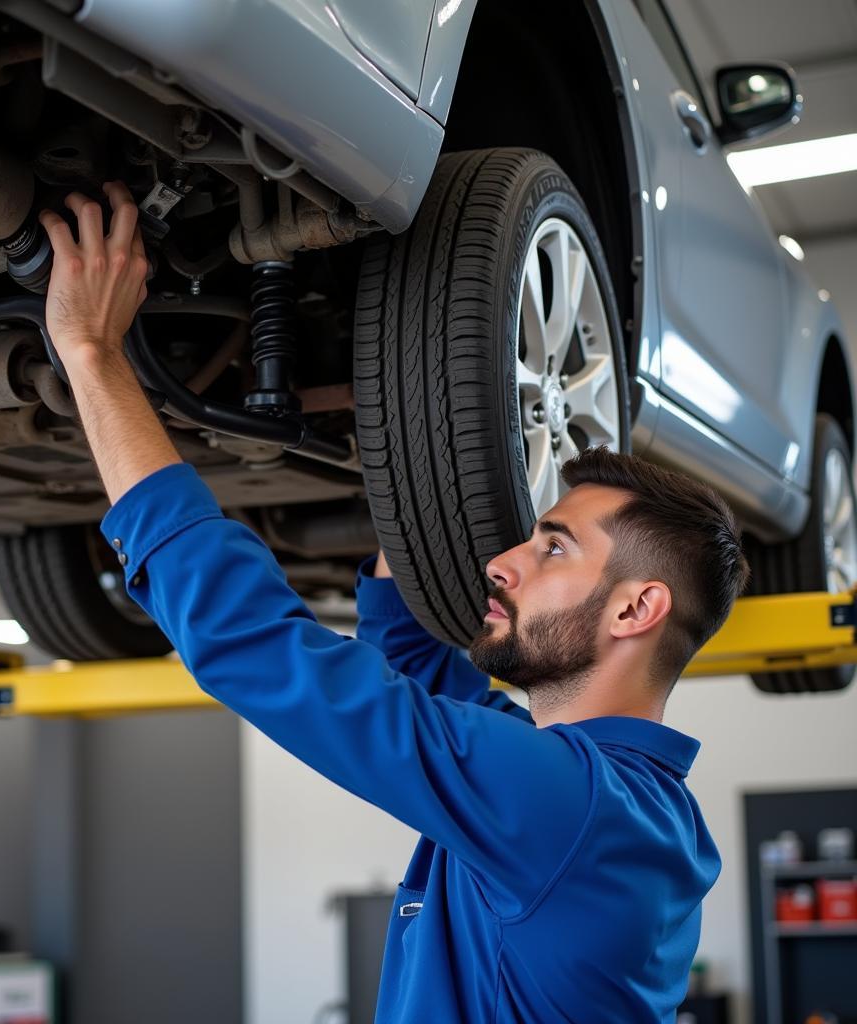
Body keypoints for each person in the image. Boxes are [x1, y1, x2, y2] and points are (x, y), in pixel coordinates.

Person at [38, 183, 751, 1023]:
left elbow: (257, 649)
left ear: (637, 610)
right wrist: (414, 436)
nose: (503, 562)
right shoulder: (608, 803)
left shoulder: (568, 805)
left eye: (551, 547)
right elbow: (409, 656)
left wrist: (92, 354)